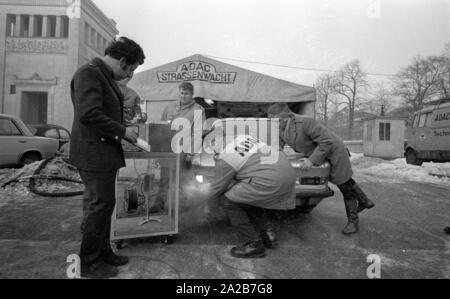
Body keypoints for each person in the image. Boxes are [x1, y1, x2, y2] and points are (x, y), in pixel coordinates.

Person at [69, 37, 145, 279]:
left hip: (101, 153)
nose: (129, 75)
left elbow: (102, 112)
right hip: (94, 153)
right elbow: (89, 113)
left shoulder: (102, 75)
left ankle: (103, 252)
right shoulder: (89, 74)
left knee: (105, 206)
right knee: (99, 206)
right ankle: (89, 262)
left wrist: (123, 128)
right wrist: (123, 131)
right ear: (122, 61)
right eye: (130, 69)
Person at [267, 103, 375, 235]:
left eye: (277, 120)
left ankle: (353, 222)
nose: (275, 124)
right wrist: (276, 154)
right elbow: (279, 143)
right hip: (318, 152)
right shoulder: (280, 126)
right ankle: (364, 201)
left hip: (334, 152)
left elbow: (327, 141)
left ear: (287, 117)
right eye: (272, 120)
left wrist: (311, 160)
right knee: (345, 180)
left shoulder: (306, 122)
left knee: (344, 184)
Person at [205, 134, 296, 258]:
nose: (214, 153)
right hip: (288, 175)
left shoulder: (226, 156)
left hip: (270, 180)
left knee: (227, 201)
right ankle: (268, 235)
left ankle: (253, 244)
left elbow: (216, 188)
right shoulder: (243, 138)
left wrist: (210, 208)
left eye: (212, 148)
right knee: (247, 198)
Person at [151, 82, 205, 213]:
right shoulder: (170, 106)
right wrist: (158, 150)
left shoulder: (198, 109)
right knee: (164, 179)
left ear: (192, 95)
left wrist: (191, 153)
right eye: (181, 92)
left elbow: (198, 133)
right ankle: (159, 203)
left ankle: (182, 206)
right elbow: (162, 126)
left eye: (186, 93)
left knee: (183, 180)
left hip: (184, 150)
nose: (183, 96)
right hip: (168, 148)